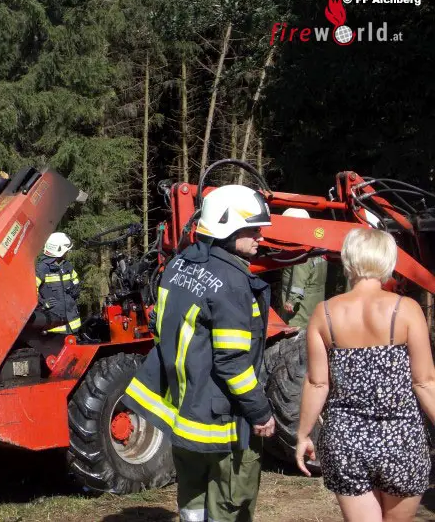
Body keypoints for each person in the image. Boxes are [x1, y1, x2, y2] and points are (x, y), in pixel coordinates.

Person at [123, 185, 276, 522]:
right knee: (231, 503)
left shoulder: (178, 265)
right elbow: (232, 362)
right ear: (227, 227)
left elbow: (160, 326)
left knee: (192, 498)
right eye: (253, 230)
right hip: (222, 422)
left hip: (184, 414)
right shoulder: (232, 282)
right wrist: (260, 412)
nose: (261, 237)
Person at [296, 228, 435, 522]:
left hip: (345, 441)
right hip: (401, 440)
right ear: (388, 260)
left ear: (348, 259)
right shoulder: (407, 309)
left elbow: (317, 383)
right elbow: (424, 382)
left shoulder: (324, 312)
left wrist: (303, 434)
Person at [280, 209, 328, 328]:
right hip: (314, 305)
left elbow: (299, 278)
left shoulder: (301, 250)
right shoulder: (317, 246)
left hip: (299, 311)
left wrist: (292, 301)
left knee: (295, 334)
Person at [35, 232, 81, 334]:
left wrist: (76, 289)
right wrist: (42, 303)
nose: (67, 253)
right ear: (60, 250)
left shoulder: (67, 266)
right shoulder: (42, 269)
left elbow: (76, 281)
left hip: (73, 326)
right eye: (66, 250)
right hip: (53, 330)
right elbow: (31, 292)